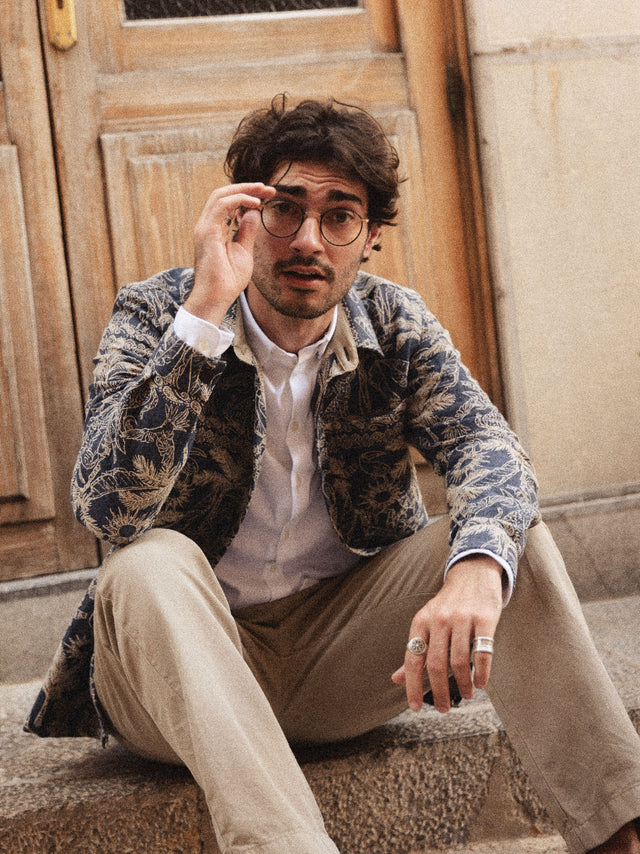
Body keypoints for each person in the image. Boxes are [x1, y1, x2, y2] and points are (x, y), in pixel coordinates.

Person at [26, 95, 640, 854]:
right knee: (147, 562)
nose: (308, 240)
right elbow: (106, 510)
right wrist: (206, 312)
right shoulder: (161, 314)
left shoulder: (395, 322)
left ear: (370, 237)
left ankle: (616, 836)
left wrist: (477, 572)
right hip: (177, 677)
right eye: (284, 209)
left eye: (340, 216)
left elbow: (489, 448)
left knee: (510, 540)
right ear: (242, 218)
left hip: (341, 663)